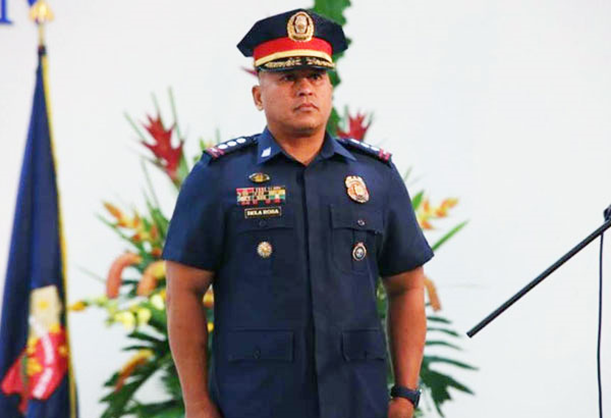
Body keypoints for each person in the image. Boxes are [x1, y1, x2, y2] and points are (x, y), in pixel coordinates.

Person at [162, 8, 434, 418]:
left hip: (356, 402)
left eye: (316, 76)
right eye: (288, 77)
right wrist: (197, 403)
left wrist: (406, 393)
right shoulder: (219, 177)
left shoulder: (375, 177)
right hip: (255, 403)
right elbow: (183, 291)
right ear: (258, 96)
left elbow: (408, 286)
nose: (305, 88)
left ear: (329, 89)